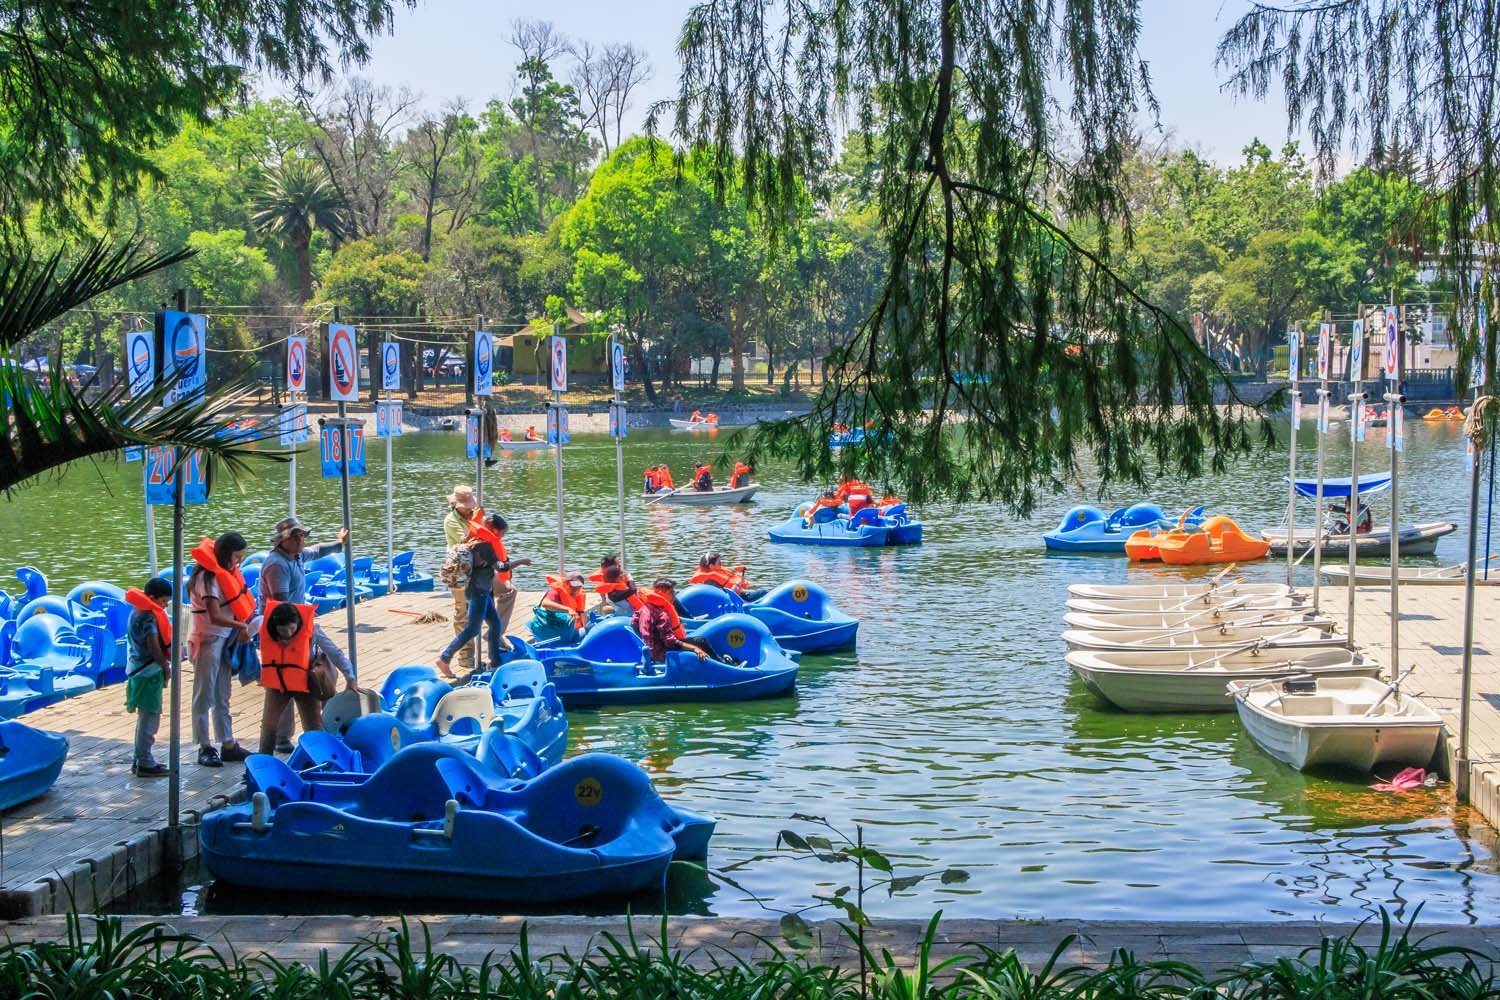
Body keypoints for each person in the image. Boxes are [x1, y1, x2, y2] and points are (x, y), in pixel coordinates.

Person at [257, 516, 360, 752]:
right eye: (297, 537)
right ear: (284, 541)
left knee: (311, 717)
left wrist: (339, 544)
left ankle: (320, 759)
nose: (302, 540)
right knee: (271, 715)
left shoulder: (297, 555)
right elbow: (281, 604)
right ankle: (265, 759)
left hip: (300, 637)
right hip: (280, 629)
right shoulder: (277, 565)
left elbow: (317, 551)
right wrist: (287, 629)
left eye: (302, 536)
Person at [188, 531, 254, 767]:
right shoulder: (207, 578)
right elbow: (214, 615)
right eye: (237, 557)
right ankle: (204, 745)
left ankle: (227, 743)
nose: (238, 562)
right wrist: (242, 625)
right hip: (207, 640)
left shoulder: (226, 574)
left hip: (225, 641)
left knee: (223, 695)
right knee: (204, 694)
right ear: (226, 554)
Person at [436, 513, 529, 677]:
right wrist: (521, 562)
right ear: (494, 530)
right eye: (502, 533)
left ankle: (495, 663)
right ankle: (444, 658)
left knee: (495, 625)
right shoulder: (485, 545)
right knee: (472, 629)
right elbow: (500, 567)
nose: (502, 537)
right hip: (478, 591)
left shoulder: (473, 540)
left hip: (482, 590)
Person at [257, 600, 324, 752]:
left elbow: (334, 652)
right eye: (282, 631)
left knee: (313, 726)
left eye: (292, 629)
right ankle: (263, 763)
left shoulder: (313, 628)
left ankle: (318, 762)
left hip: (305, 684)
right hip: (277, 685)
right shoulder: (262, 624)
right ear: (274, 628)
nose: (288, 634)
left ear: (297, 623)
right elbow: (245, 632)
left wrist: (350, 678)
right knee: (269, 725)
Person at [124, 578, 174, 776]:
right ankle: (144, 761)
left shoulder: (136, 611)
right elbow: (153, 644)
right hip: (148, 672)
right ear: (153, 598)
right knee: (150, 717)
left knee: (144, 716)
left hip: (136, 669)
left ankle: (140, 759)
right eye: (163, 601)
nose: (166, 605)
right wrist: (165, 666)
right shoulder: (149, 617)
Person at [443, 485, 480, 673]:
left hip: (477, 569)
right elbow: (466, 542)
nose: (469, 508)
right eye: (466, 506)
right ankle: (465, 656)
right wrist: (477, 526)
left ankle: (495, 639)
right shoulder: (451, 521)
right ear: (456, 505)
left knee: (507, 592)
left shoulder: (472, 516)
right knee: (462, 612)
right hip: (459, 570)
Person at [633, 579, 713, 663]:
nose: (674, 595)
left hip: (652, 649)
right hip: (661, 653)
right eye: (671, 592)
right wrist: (694, 648)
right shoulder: (662, 615)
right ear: (661, 593)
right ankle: (717, 664)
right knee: (700, 641)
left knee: (698, 640)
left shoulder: (646, 608)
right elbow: (670, 642)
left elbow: (635, 623)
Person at [531, 571, 588, 645]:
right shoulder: (556, 591)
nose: (575, 588)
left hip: (567, 630)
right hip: (550, 626)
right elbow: (545, 603)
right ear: (566, 583)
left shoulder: (579, 595)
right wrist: (568, 609)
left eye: (578, 586)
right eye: (572, 585)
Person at [690, 551, 767, 601]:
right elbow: (725, 597)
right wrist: (737, 584)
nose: (721, 564)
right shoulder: (711, 582)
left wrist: (736, 569)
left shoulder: (716, 572)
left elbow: (727, 573)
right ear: (711, 566)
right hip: (741, 599)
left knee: (761, 592)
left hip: (742, 594)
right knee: (763, 592)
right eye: (719, 563)